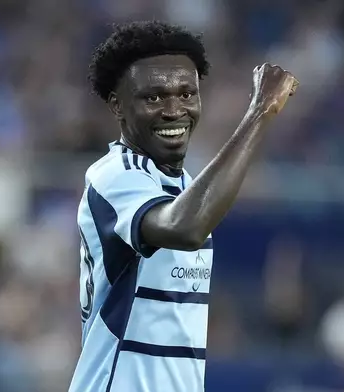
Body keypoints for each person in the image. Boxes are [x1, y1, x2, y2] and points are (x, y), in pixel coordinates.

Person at [69, 21, 298, 392]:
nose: (175, 109)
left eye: (187, 94)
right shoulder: (115, 176)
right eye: (153, 97)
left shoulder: (184, 185)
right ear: (117, 105)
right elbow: (186, 228)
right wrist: (259, 113)